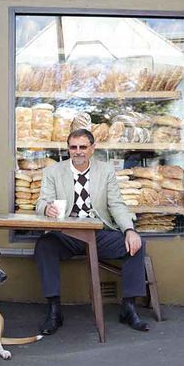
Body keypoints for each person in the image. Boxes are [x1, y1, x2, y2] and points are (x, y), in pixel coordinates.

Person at [34, 128, 149, 334]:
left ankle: (129, 307)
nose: (78, 151)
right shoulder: (53, 172)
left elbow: (116, 204)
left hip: (97, 232)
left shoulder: (105, 170)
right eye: (73, 147)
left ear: (92, 149)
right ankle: (54, 310)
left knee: (135, 244)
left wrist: (130, 230)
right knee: (44, 245)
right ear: (68, 149)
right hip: (66, 233)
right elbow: (41, 201)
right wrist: (46, 208)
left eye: (83, 147)